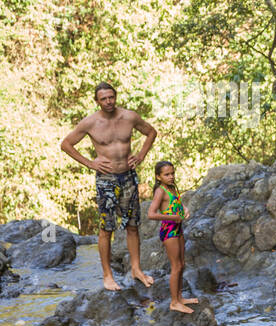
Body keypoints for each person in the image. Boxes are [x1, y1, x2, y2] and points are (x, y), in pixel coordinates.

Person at [60, 82, 157, 291]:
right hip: (106, 180)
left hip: (129, 177)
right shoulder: (90, 122)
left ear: (116, 97)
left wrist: (141, 155)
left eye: (111, 97)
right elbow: (66, 144)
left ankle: (136, 269)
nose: (108, 101)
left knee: (132, 225)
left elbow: (151, 132)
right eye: (103, 99)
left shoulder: (129, 117)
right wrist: (90, 163)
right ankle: (107, 276)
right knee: (106, 228)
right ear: (97, 101)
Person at [146, 161, 199, 313]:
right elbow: (151, 213)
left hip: (178, 228)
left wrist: (184, 208)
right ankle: (174, 302)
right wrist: (171, 218)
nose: (171, 177)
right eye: (166, 174)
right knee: (175, 266)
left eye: (172, 173)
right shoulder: (160, 191)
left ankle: (180, 297)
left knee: (182, 263)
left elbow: (177, 204)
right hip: (169, 230)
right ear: (158, 177)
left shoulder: (172, 188)